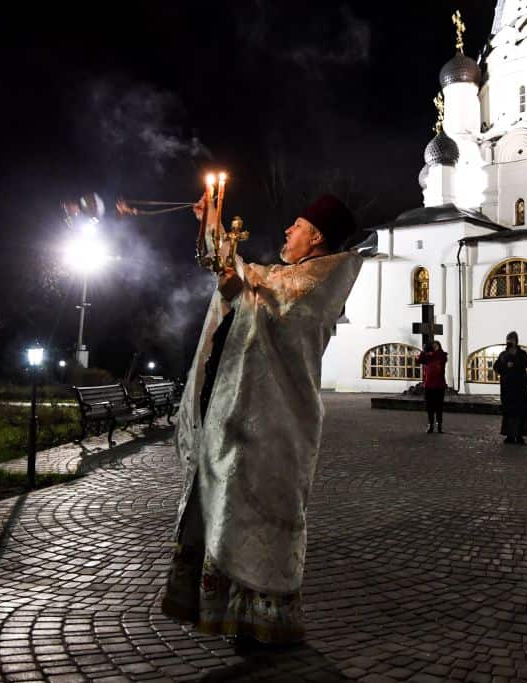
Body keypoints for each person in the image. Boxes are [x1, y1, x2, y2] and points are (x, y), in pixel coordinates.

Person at [163, 194, 363, 650]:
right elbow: (244, 282)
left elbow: (262, 300)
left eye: (296, 226)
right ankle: (234, 615)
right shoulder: (282, 278)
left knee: (266, 518)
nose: (287, 233)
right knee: (229, 511)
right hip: (244, 419)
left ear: (316, 235)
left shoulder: (324, 279)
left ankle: (265, 621)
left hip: (280, 423)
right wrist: (211, 222)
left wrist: (235, 274)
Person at [494, 331, 527, 444]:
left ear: (516, 341)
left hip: (520, 388)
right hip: (507, 388)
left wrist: (515, 362)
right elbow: (496, 367)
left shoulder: (522, 353)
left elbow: (526, 363)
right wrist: (505, 365)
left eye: (512, 340)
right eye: (508, 340)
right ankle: (509, 435)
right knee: (509, 412)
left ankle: (519, 435)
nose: (510, 342)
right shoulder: (503, 354)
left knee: (520, 412)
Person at [418, 341, 448, 433]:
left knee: (439, 407)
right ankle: (430, 425)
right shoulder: (427, 356)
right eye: (433, 346)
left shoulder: (442, 355)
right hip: (429, 385)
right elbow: (419, 360)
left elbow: (441, 357)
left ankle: (439, 426)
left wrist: (430, 353)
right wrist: (423, 351)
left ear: (439, 346)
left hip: (439, 385)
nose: (434, 347)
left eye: (436, 345)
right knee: (429, 407)